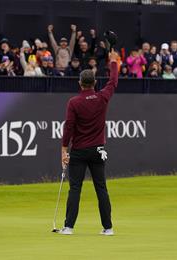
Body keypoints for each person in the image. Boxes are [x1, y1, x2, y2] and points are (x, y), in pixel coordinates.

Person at [59, 50, 119, 236]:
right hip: (97, 150)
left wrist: (63, 150)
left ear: (80, 83)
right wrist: (113, 61)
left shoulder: (74, 102)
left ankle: (69, 227)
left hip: (78, 151)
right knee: (101, 187)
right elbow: (113, 82)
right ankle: (108, 228)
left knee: (75, 188)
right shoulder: (102, 98)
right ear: (94, 83)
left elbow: (69, 127)